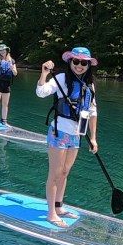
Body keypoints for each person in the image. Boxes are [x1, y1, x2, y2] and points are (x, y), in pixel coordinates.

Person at [36, 46, 99, 228]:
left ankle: (59, 207)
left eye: (84, 63)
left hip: (76, 135)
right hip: (59, 133)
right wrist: (44, 73)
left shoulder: (90, 85)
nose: (80, 65)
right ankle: (51, 214)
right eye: (76, 61)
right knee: (55, 174)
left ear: (88, 65)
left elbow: (93, 112)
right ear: (70, 62)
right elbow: (41, 93)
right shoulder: (62, 79)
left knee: (65, 172)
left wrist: (93, 138)